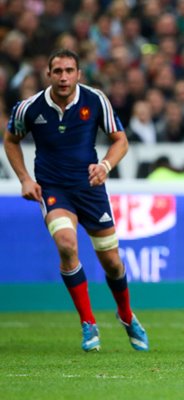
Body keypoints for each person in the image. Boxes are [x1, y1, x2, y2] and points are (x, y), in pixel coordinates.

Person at [3, 49, 149, 352]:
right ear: (48, 75)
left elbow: (120, 140)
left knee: (112, 262)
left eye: (69, 70)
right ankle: (88, 323)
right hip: (54, 189)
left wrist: (105, 166)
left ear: (79, 74)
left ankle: (125, 315)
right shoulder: (28, 108)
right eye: (58, 71)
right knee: (67, 245)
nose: (64, 76)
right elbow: (11, 139)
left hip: (90, 188)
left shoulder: (95, 100)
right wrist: (25, 179)